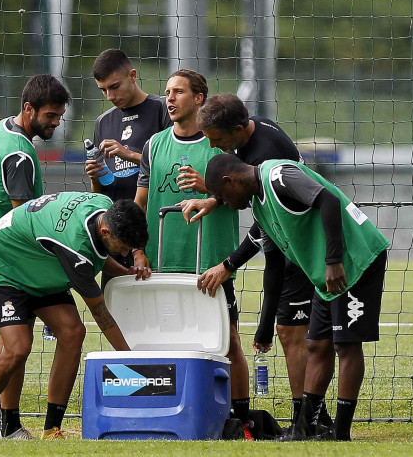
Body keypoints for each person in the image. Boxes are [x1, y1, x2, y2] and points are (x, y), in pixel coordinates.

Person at [203, 153, 390, 441]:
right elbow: (275, 264)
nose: (224, 203)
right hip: (324, 276)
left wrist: (333, 260)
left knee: (346, 346)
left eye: (221, 196)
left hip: (354, 263)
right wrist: (266, 325)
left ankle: (340, 435)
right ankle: (304, 429)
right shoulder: (258, 207)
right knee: (316, 344)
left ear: (231, 181)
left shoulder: (279, 176)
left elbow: (328, 200)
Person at [181, 93, 331, 431]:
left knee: (295, 334)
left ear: (236, 129)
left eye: (218, 140)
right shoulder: (253, 133)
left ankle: (310, 422)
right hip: (290, 243)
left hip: (305, 244)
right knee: (289, 331)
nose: (217, 148)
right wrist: (215, 198)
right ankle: (309, 420)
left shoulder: (266, 154)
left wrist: (227, 265)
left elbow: (264, 228)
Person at [0, 193, 150, 441]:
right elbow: (102, 316)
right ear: (105, 230)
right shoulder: (75, 248)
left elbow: (98, 257)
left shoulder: (105, 205)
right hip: (3, 267)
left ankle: (51, 430)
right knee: (17, 348)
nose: (124, 253)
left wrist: (125, 273)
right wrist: (133, 364)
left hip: (39, 266)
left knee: (73, 332)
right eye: (122, 248)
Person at [133, 70, 253, 440]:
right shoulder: (154, 146)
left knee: (228, 343)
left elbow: (243, 199)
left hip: (211, 264)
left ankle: (241, 420)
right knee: (161, 342)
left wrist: (210, 190)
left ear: (199, 98)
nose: (169, 99)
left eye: (179, 92)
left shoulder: (220, 144)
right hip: (162, 265)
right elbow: (140, 204)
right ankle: (167, 416)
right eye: (167, 92)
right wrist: (138, 249)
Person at [0, 74, 70, 439]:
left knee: (16, 339)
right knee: (17, 342)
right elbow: (23, 222)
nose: (56, 123)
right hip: (6, 259)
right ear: (29, 109)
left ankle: (5, 421)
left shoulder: (2, 128)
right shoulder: (20, 154)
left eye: (59, 116)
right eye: (51, 115)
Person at [87, 48, 171, 287]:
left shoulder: (163, 109)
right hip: (114, 236)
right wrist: (96, 177)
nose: (109, 96)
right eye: (103, 90)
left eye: (114, 86)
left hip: (153, 231)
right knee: (115, 308)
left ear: (133, 75)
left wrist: (131, 154)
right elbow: (101, 194)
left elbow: (170, 170)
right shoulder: (103, 122)